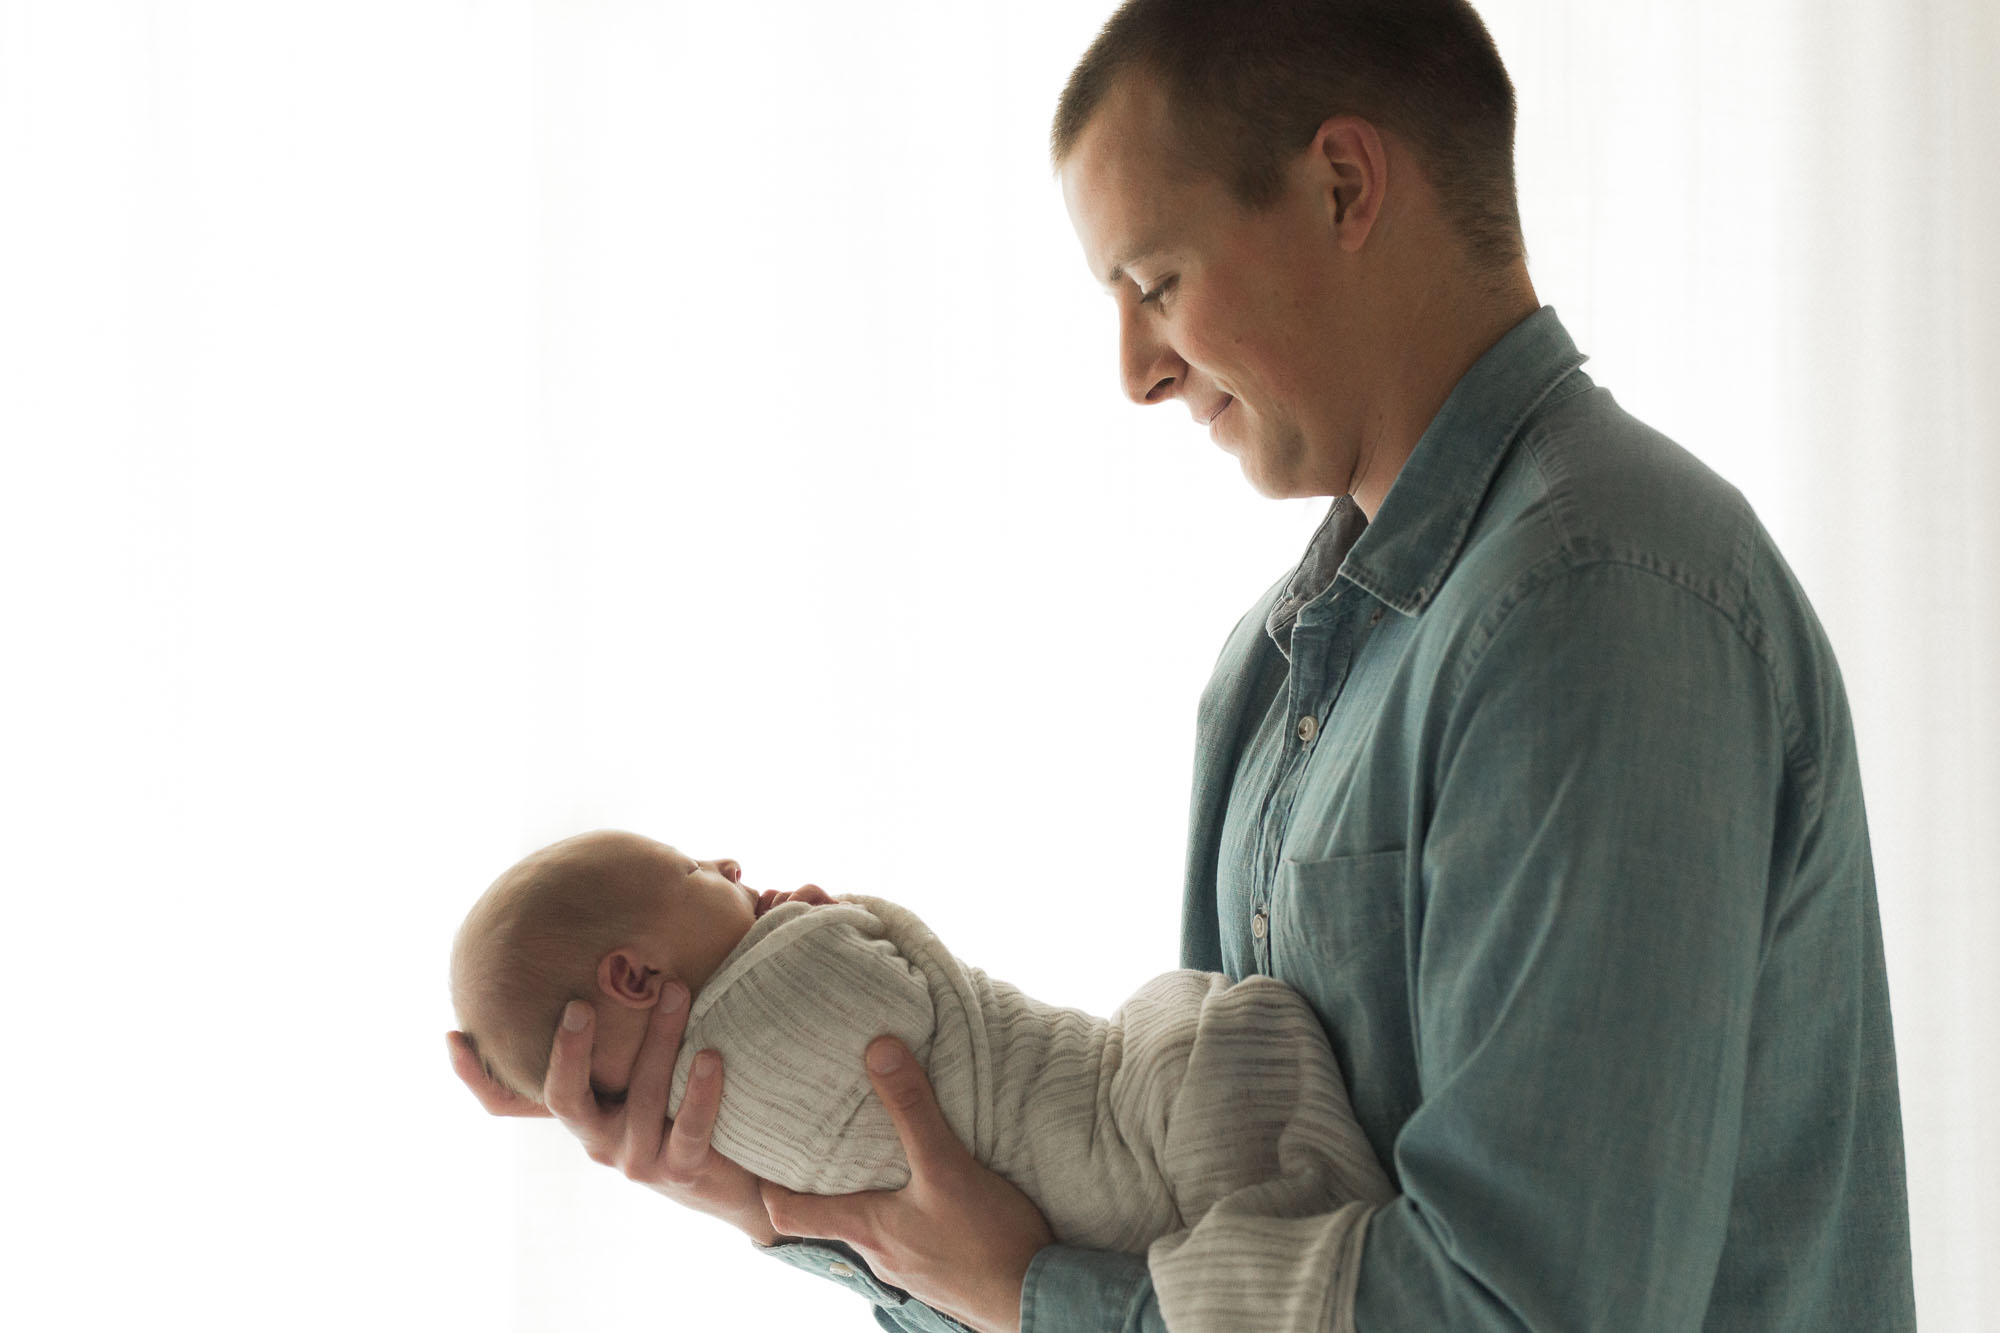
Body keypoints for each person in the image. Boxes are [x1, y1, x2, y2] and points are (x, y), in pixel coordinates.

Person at [449, 1, 1917, 1329]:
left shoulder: (1600, 606)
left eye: (1155, 281)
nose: (1137, 371)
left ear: (1346, 186)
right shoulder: (1273, 678)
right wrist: (776, 1187)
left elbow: (1532, 1312)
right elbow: (1191, 1235)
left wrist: (1036, 1297)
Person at [449, 828, 1391, 1298]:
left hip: (1087, 1241)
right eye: (698, 871)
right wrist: (834, 913)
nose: (734, 871)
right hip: (1111, 1110)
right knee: (1214, 1042)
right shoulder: (788, 971)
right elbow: (915, 987)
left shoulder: (713, 1125)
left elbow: (857, 1220)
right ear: (633, 973)